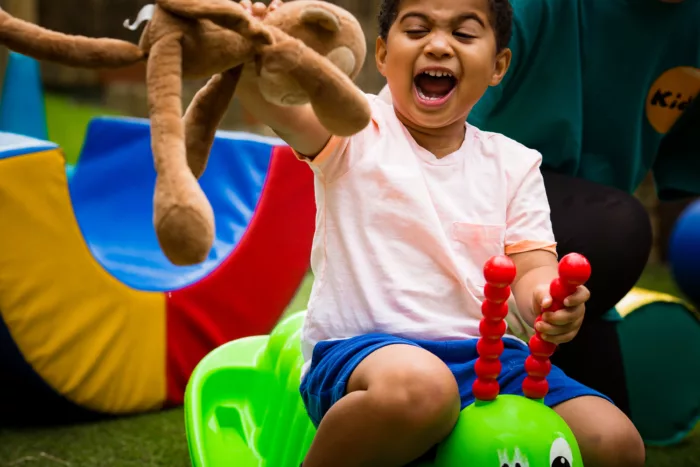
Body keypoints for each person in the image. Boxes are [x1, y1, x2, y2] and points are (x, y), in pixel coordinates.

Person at [237, 0, 645, 466]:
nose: (438, 45)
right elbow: (279, 108)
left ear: (498, 66)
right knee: (423, 389)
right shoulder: (354, 126)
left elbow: (533, 266)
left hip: (492, 362)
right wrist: (253, 47)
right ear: (382, 54)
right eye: (417, 29)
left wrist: (547, 302)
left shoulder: (514, 163)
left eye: (465, 34)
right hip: (366, 357)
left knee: (616, 441)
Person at [377, 0, 700, 417]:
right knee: (617, 227)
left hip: (570, 257)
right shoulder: (525, 10)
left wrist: (551, 300)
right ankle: (474, 339)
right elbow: (401, 118)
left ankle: (520, 337)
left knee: (612, 436)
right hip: (464, 213)